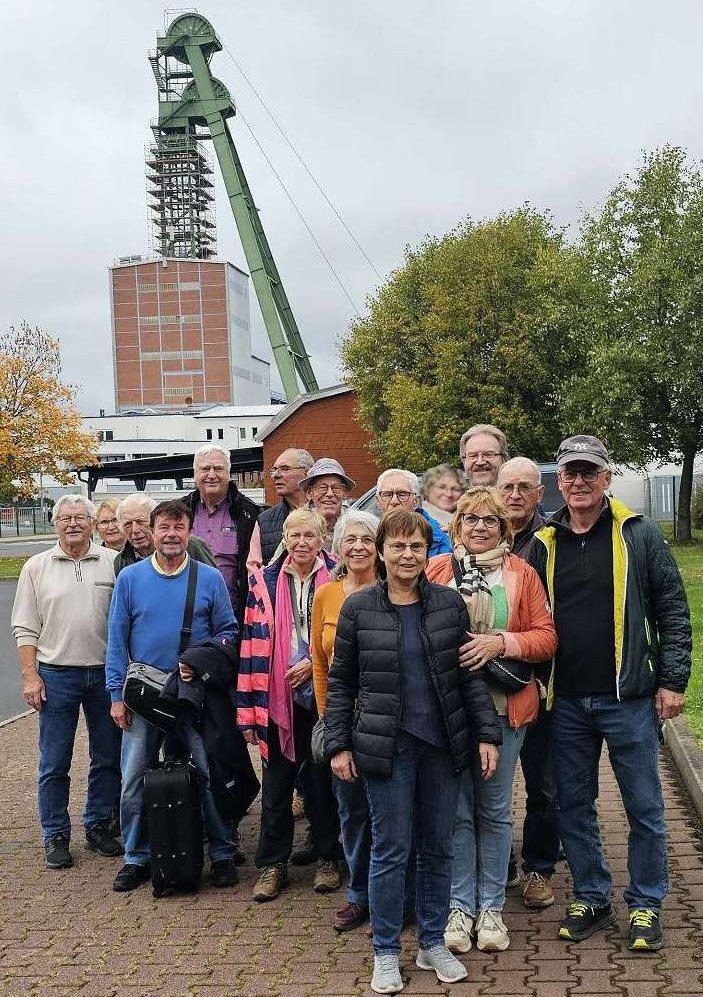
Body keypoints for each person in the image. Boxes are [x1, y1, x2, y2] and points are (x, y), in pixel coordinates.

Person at [325, 509, 502, 994]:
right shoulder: (359, 609)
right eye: (398, 546)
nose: (407, 555)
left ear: (429, 552)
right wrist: (338, 743)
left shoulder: (448, 604)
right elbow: (340, 683)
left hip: (442, 747)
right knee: (390, 850)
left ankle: (431, 941)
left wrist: (487, 734)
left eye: (417, 546)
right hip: (387, 750)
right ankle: (385, 949)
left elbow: (469, 677)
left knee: (438, 847)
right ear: (381, 551)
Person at [526, 435, 692, 953]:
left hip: (629, 698)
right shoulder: (544, 540)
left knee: (644, 806)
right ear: (560, 481)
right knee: (574, 804)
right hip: (566, 700)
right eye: (570, 473)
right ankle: (593, 896)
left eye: (588, 473)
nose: (578, 482)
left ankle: (645, 904)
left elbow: (673, 610)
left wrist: (672, 681)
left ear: (606, 477)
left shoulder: (637, 535)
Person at [426, 487, 557, 953]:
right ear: (457, 526)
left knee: (494, 810)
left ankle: (491, 908)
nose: (480, 527)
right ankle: (460, 908)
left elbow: (545, 638)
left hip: (505, 711)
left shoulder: (521, 574)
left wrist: (500, 642)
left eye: (490, 520)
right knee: (458, 811)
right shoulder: (436, 571)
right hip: (450, 713)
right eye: (471, 519)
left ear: (504, 528)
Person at [106, 500, 240, 892]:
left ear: (188, 532)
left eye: (178, 527)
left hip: (192, 696)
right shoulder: (130, 578)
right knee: (132, 779)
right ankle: (136, 856)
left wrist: (200, 660)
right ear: (151, 530)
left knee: (210, 773)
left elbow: (229, 633)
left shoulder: (208, 579)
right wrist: (116, 695)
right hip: (145, 696)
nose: (171, 535)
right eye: (164, 527)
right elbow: (116, 641)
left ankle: (221, 852)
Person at [11, 495, 123, 870]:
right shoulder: (36, 566)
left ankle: (98, 825)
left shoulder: (112, 563)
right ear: (55, 522)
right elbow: (25, 627)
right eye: (65, 518)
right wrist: (30, 676)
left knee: (107, 757)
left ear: (92, 524)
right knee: (54, 761)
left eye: (80, 517)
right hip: (56, 674)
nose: (73, 523)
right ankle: (55, 834)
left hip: (105, 675)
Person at [237, 508, 342, 901]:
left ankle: (328, 858)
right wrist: (246, 710)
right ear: (284, 536)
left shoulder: (339, 577)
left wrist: (312, 663)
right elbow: (250, 645)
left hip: (324, 694)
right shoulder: (263, 582)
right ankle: (271, 864)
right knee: (277, 783)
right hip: (275, 696)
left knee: (322, 779)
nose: (302, 543)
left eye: (309, 536)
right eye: (294, 535)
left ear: (322, 538)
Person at [311, 510, 380, 932]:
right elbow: (320, 664)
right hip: (344, 716)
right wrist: (330, 727)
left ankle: (393, 895)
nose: (358, 547)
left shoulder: (395, 591)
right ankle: (359, 895)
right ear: (337, 547)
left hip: (384, 717)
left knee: (389, 814)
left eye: (367, 539)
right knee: (352, 812)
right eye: (349, 539)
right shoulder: (326, 595)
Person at [496, 457, 559, 909]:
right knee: (490, 787)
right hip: (494, 691)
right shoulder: (478, 539)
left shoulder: (551, 541)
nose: (515, 494)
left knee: (544, 783)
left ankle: (538, 867)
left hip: (544, 684)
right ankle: (499, 868)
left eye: (524, 487)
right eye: (508, 487)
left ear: (540, 494)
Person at [184, 444, 260, 621]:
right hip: (186, 615)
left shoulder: (249, 514)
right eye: (205, 469)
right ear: (195, 474)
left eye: (218, 468)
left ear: (229, 474)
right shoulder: (180, 512)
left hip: (233, 615)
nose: (211, 475)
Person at [114, 493, 217, 576]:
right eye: (128, 525)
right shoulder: (121, 561)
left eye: (141, 522)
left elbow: (213, 585)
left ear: (154, 524)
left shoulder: (191, 546)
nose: (135, 530)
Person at [247, 448, 315, 571]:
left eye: (285, 469)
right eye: (274, 470)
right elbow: (253, 570)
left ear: (307, 473)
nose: (276, 475)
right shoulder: (264, 520)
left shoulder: (326, 514)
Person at [376, 468, 451, 557]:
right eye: (387, 494)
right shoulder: (368, 538)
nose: (394, 501)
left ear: (415, 501)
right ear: (378, 502)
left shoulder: (440, 541)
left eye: (402, 494)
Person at [298, 457, 355, 552]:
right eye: (322, 488)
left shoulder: (354, 525)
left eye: (336, 488)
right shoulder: (297, 526)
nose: (329, 494)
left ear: (345, 493)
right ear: (309, 493)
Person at [421, 464, 466, 530]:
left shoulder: (469, 520)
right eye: (441, 487)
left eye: (455, 489)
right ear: (427, 490)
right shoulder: (418, 522)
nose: (449, 494)